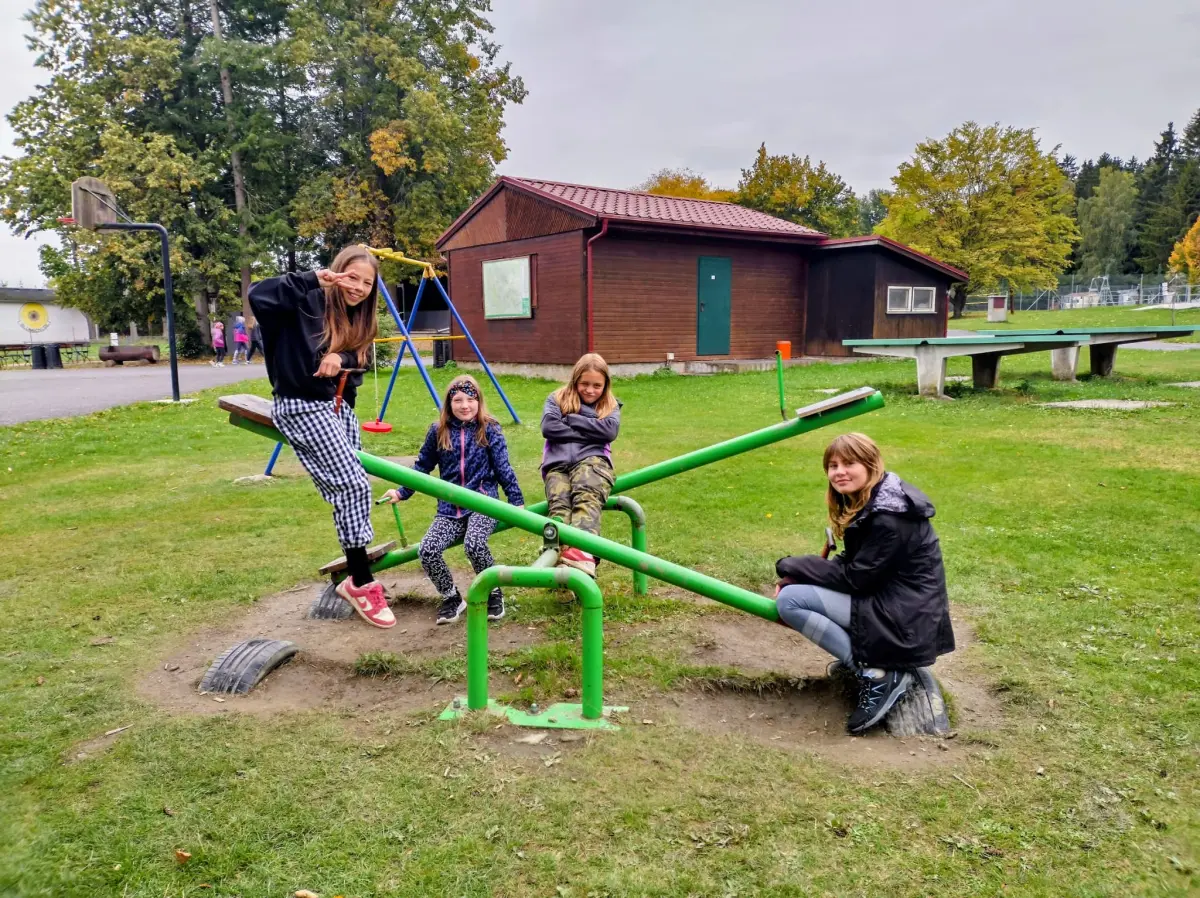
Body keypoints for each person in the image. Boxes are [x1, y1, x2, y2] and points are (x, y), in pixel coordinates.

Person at [248, 245, 395, 629]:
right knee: (352, 486)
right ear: (336, 271)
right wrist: (312, 278)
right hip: (299, 404)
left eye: (367, 283)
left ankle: (356, 562)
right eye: (352, 277)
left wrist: (340, 359)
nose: (358, 287)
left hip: (336, 407)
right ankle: (360, 581)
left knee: (353, 483)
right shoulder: (303, 299)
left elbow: (359, 361)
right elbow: (258, 295)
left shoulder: (358, 316)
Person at [774, 433, 954, 735]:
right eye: (833, 466)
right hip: (897, 606)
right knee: (795, 592)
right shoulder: (879, 500)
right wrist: (799, 575)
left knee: (790, 601)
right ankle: (871, 665)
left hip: (904, 621)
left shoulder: (888, 518)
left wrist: (790, 565)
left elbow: (855, 578)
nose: (839, 472)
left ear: (871, 465)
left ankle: (876, 673)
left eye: (849, 463)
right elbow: (856, 565)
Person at [383, 376, 524, 624]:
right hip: (450, 509)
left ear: (479, 402)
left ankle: (493, 592)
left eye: (471, 399)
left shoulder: (489, 429)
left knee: (474, 544)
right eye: (458, 400)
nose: (465, 405)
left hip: (483, 503)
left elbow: (503, 467)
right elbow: (422, 467)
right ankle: (452, 597)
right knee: (428, 549)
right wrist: (402, 492)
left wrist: (516, 501)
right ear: (449, 404)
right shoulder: (438, 431)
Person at [539, 353, 621, 577]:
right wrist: (592, 429)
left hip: (593, 461)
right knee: (559, 509)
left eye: (597, 385)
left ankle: (583, 553)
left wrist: (573, 419)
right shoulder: (557, 398)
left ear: (605, 385)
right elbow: (549, 428)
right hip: (557, 464)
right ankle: (562, 565)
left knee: (586, 496)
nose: (590, 390)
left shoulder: (610, 404)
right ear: (575, 380)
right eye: (584, 384)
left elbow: (609, 432)